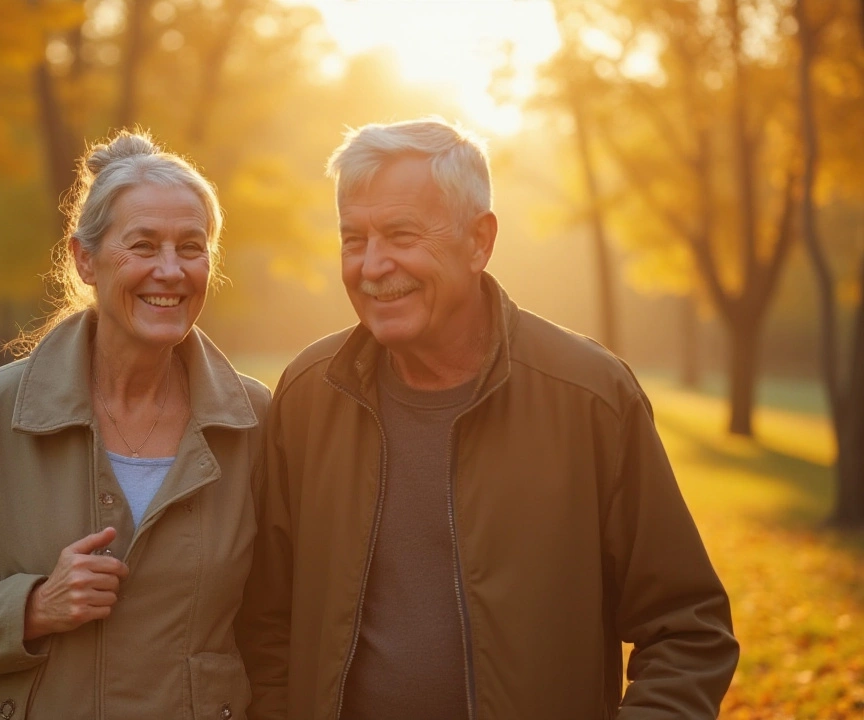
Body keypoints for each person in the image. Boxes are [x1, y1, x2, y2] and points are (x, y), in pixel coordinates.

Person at [237, 118, 739, 719]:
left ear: (479, 241)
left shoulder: (590, 398)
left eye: (401, 234)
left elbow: (688, 630)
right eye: (353, 239)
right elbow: (265, 623)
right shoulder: (308, 395)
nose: (372, 265)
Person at [0, 130, 269, 720]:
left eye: (191, 247)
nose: (170, 270)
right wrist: (34, 606)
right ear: (84, 260)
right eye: (143, 245)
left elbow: (277, 628)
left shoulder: (253, 423)